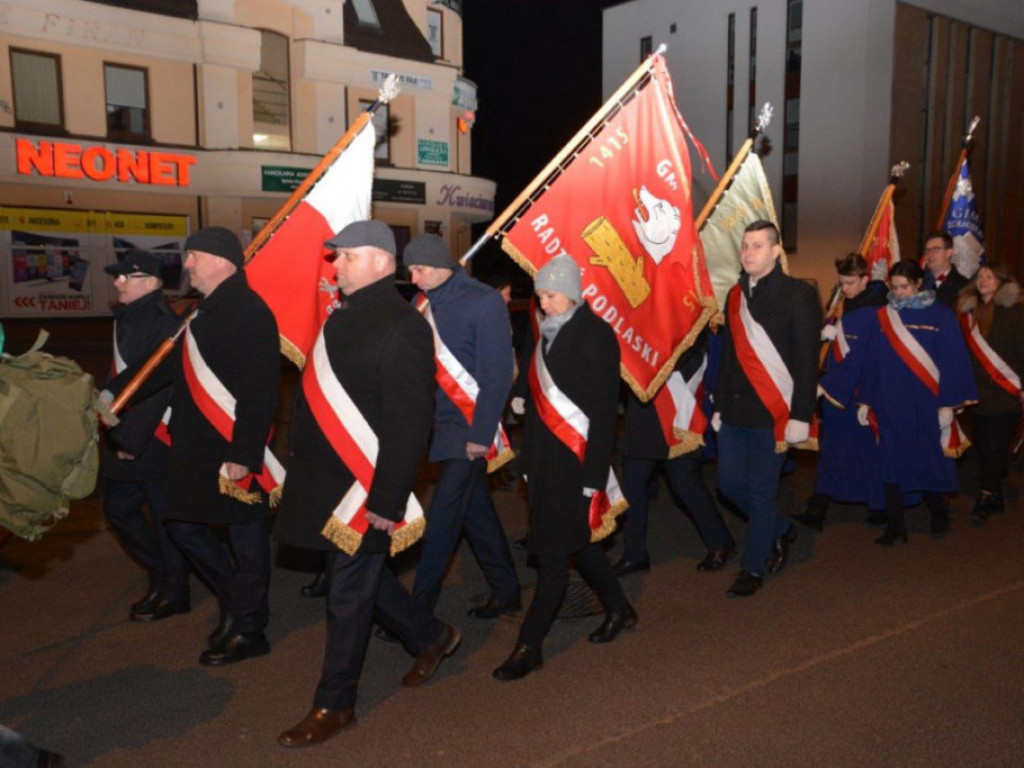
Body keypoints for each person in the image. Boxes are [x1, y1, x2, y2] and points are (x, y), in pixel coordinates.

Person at [274, 220, 460, 748]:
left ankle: (335, 703)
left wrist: (386, 499)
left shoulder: (403, 326)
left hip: (365, 486)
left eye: (345, 258)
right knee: (359, 581)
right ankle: (432, 635)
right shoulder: (344, 316)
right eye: (336, 259)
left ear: (381, 260)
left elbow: (409, 422)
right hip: (328, 478)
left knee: (347, 595)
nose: (335, 267)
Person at [109, 227, 282, 665]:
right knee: (182, 525)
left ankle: (249, 628)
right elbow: (166, 367)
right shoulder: (205, 310)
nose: (186, 265)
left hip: (231, 448)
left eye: (194, 256)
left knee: (247, 540)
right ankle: (236, 603)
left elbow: (260, 391)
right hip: (198, 448)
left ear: (223, 261)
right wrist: (113, 392)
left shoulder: (250, 311)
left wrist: (245, 454)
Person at [493, 255, 635, 682]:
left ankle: (529, 645)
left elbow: (604, 414)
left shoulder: (596, 335)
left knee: (552, 557)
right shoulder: (547, 333)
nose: (543, 304)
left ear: (572, 292)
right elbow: (537, 386)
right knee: (580, 544)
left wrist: (595, 476)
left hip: (576, 465)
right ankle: (620, 608)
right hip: (543, 464)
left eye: (550, 295)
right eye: (539, 296)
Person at [405, 234, 521, 619]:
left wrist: (480, 435)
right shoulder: (421, 302)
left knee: (441, 522)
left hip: (469, 429)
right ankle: (507, 590)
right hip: (437, 425)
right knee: (475, 513)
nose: (414, 278)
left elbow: (498, 375)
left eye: (419, 269)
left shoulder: (483, 301)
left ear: (440, 266)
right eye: (410, 270)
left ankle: (416, 611)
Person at [826, 260, 977, 544]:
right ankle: (896, 526)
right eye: (894, 287)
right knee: (890, 463)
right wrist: (865, 401)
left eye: (905, 286)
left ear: (919, 284)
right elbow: (871, 361)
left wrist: (949, 404)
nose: (899, 293)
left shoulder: (941, 316)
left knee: (926, 460)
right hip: (889, 402)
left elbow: (954, 361)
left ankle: (938, 512)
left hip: (925, 403)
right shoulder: (883, 316)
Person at [713, 220, 821, 597]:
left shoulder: (798, 295)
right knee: (728, 485)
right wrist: (719, 403)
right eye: (745, 246)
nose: (748, 252)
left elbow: (808, 361)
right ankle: (779, 529)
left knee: (761, 493)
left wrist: (801, 415)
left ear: (776, 252)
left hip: (774, 414)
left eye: (757, 246)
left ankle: (753, 567)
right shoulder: (735, 295)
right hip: (735, 412)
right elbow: (728, 355)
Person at [100, 249, 192, 621]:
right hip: (130, 435)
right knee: (119, 511)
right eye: (118, 276)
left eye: (126, 276)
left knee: (162, 517)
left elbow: (158, 390)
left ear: (151, 282)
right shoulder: (130, 316)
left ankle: (174, 591)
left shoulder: (158, 321)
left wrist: (131, 443)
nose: (117, 281)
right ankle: (162, 573)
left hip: (152, 439)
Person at [615, 327, 736, 575]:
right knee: (632, 488)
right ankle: (634, 554)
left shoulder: (691, 315)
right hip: (642, 413)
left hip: (674, 413)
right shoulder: (637, 316)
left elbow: (691, 359)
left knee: (686, 486)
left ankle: (721, 542)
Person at [792, 253, 888, 531]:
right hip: (838, 388)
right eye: (841, 282)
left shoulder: (874, 311)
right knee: (832, 450)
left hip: (859, 393)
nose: (843, 288)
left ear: (865, 280)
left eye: (849, 282)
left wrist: (827, 387)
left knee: (867, 451)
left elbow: (865, 360)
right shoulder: (849, 303)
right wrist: (827, 331)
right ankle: (818, 506)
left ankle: (878, 504)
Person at [955, 263, 1024, 525]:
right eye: (980, 276)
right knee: (985, 447)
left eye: (990, 276)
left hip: (1006, 393)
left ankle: (985, 496)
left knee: (995, 448)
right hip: (976, 394)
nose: (983, 280)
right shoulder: (967, 313)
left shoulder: (1016, 312)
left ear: (1002, 281)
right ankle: (995, 495)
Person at [922, 231, 971, 308]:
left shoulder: (963, 286)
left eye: (936, 249)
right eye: (927, 250)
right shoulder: (919, 282)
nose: (930, 254)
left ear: (949, 252)